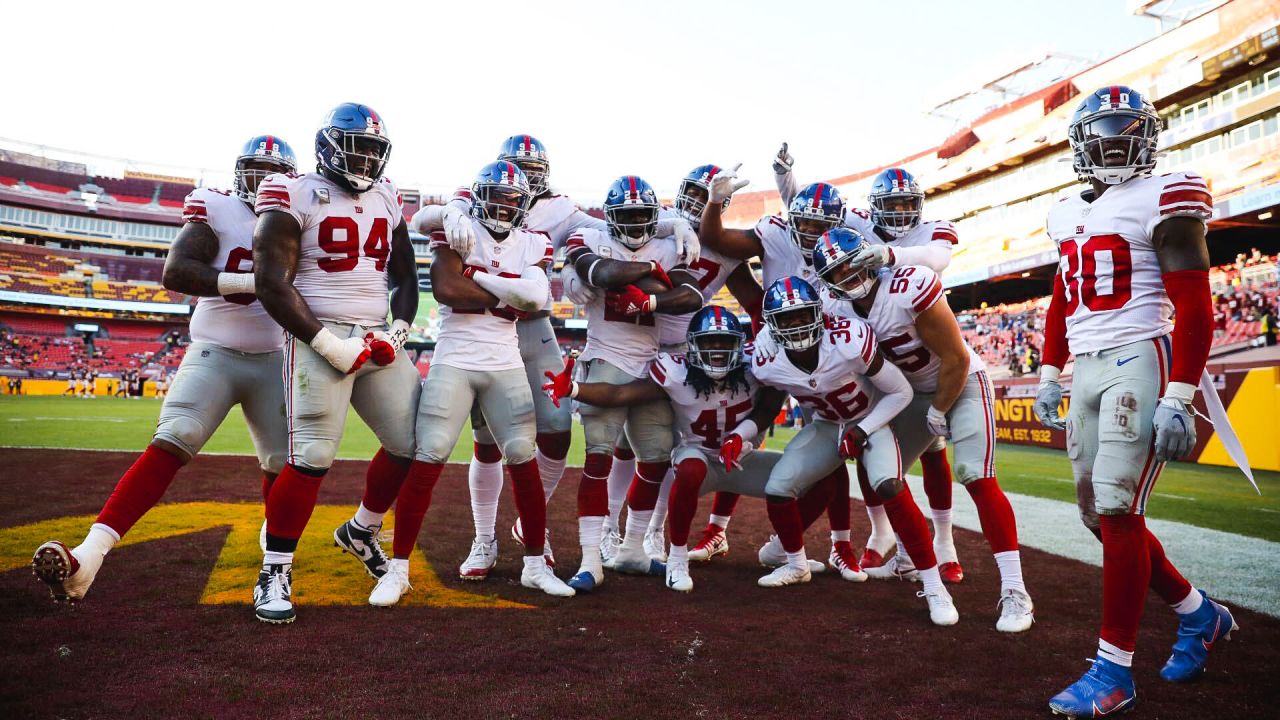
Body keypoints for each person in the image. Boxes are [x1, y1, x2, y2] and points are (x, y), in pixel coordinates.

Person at [1033, 85, 1237, 717]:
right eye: (1105, 131)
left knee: (1119, 510)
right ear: (1081, 143)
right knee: (1098, 516)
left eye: (1128, 129)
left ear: (1148, 136)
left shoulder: (1167, 193)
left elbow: (1196, 303)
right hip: (1087, 367)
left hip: (1138, 359)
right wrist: (1047, 369)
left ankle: (1113, 670)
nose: (1116, 141)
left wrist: (1180, 390)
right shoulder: (1066, 211)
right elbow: (1065, 298)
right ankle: (1199, 614)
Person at [411, 135, 699, 576]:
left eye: (531, 166)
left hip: (535, 325)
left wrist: (675, 222)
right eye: (516, 165)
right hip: (485, 332)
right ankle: (483, 539)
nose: (523, 175)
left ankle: (533, 527)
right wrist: (449, 210)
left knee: (558, 430)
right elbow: (425, 218)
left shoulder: (563, 209)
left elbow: (617, 226)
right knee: (487, 443)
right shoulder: (478, 194)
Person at [31, 134, 297, 605]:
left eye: (272, 176)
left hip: (275, 357)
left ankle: (274, 558)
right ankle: (87, 559)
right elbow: (176, 271)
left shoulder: (301, 219)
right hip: (214, 350)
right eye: (254, 171)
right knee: (173, 439)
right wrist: (257, 281)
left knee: (283, 464)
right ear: (239, 174)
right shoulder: (217, 209)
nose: (261, 183)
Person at [370, 161, 573, 605]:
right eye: (496, 196)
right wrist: (506, 288)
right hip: (455, 359)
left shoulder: (534, 241)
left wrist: (476, 273)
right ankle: (397, 568)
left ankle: (535, 566)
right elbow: (445, 288)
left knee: (522, 455)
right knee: (431, 453)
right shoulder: (458, 228)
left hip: (506, 363)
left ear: (524, 203)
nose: (503, 205)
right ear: (478, 197)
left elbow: (536, 299)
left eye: (512, 198)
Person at [813, 227, 1033, 632]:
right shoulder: (837, 310)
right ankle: (908, 554)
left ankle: (1015, 591)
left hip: (961, 382)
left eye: (851, 265)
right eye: (837, 273)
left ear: (867, 257)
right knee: (879, 470)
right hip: (908, 394)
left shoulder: (908, 284)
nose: (847, 277)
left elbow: (955, 358)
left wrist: (938, 412)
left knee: (977, 476)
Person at [251, 103, 421, 624]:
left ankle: (362, 529)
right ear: (327, 144)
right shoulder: (291, 191)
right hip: (316, 333)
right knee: (313, 456)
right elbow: (271, 283)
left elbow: (406, 275)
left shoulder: (388, 195)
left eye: (374, 149)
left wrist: (398, 329)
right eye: (357, 146)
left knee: (413, 441)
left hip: (373, 336)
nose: (366, 158)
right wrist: (325, 343)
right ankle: (274, 570)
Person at [543, 305, 841, 592]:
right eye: (709, 342)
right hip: (697, 456)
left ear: (739, 346)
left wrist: (741, 435)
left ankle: (783, 549)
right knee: (689, 469)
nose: (717, 351)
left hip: (740, 459)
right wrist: (574, 389)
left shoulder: (755, 367)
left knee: (822, 480)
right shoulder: (676, 373)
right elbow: (621, 392)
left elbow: (769, 405)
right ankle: (677, 559)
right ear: (692, 346)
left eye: (724, 343)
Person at [559, 175, 704, 592]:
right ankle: (590, 559)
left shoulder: (667, 239)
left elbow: (692, 295)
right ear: (610, 217)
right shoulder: (590, 234)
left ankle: (634, 549)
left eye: (645, 216)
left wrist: (653, 297)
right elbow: (599, 271)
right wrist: (653, 272)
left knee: (656, 460)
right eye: (628, 216)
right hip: (605, 357)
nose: (637, 224)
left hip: (651, 363)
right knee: (598, 459)